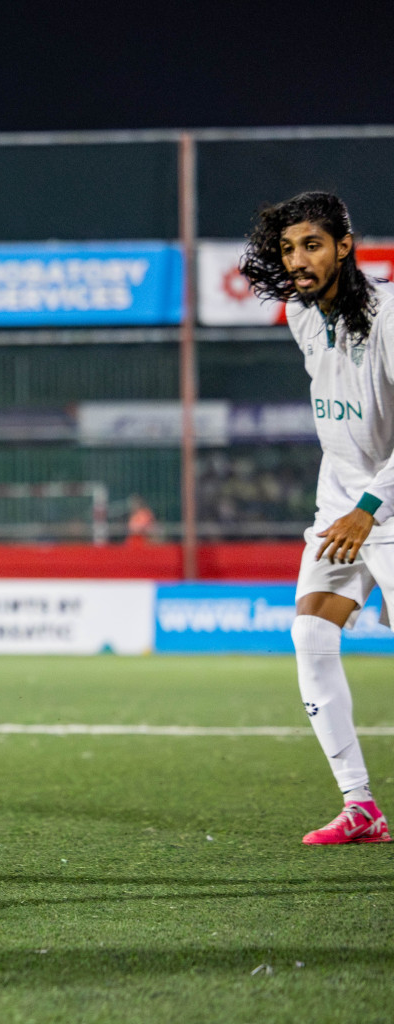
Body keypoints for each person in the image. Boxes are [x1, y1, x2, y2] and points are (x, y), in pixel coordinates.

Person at [240, 190, 393, 844]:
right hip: (342, 504)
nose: (298, 260)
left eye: (312, 245)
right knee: (311, 636)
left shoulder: (388, 316)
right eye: (288, 249)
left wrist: (369, 507)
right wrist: (351, 505)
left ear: (345, 245)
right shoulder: (301, 312)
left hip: (382, 504)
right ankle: (360, 805)